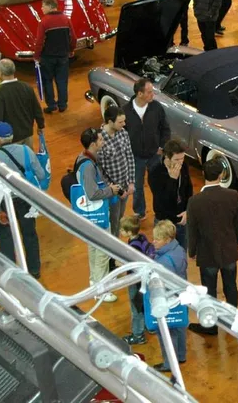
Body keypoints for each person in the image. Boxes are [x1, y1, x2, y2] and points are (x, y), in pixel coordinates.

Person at [187, 159, 238, 328]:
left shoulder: (195, 201)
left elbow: (192, 230)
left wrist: (192, 251)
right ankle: (232, 321)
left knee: (209, 291)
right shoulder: (233, 195)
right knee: (231, 286)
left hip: (207, 253)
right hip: (229, 250)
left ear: (203, 174)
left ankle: (210, 326)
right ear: (221, 175)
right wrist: (236, 242)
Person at [0, 122, 43, 278]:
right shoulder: (26, 151)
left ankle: (10, 272)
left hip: (4, 201)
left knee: (5, 237)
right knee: (29, 234)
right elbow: (40, 175)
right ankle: (34, 270)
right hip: (25, 199)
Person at [75, 128, 122, 302]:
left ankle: (95, 281)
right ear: (93, 144)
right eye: (101, 139)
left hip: (91, 213)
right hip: (97, 214)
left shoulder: (84, 159)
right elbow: (92, 193)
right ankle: (101, 289)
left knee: (94, 248)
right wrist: (111, 190)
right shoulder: (88, 165)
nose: (103, 141)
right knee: (102, 250)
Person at [125, 77, 171, 220]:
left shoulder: (156, 108)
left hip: (154, 156)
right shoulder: (126, 111)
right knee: (137, 186)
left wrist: (162, 146)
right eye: (149, 92)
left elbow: (165, 129)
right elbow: (122, 134)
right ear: (140, 94)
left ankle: (160, 211)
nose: (153, 95)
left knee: (158, 185)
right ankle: (139, 212)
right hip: (135, 157)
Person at [151, 220, 188, 371]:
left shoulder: (163, 261)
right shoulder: (179, 249)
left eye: (157, 239)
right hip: (181, 295)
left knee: (166, 332)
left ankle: (169, 363)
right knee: (179, 327)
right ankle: (181, 355)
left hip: (168, 299)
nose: (153, 242)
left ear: (167, 240)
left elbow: (162, 284)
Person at [96, 104, 135, 236]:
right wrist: (117, 190)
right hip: (111, 190)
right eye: (120, 122)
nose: (124, 124)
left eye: (124, 121)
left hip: (125, 186)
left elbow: (130, 157)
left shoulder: (123, 133)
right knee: (112, 220)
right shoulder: (99, 140)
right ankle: (112, 244)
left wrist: (131, 182)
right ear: (110, 122)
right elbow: (100, 170)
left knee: (119, 218)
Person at [149, 138, 192, 252]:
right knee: (163, 253)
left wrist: (188, 210)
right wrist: (172, 180)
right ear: (167, 157)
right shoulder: (155, 172)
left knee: (182, 252)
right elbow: (162, 201)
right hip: (164, 221)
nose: (180, 162)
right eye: (177, 159)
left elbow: (189, 189)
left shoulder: (183, 166)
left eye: (182, 158)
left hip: (182, 219)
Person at [0, 58, 45, 144]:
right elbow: (36, 109)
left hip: (10, 138)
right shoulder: (27, 87)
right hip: (27, 133)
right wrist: (40, 125)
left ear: (0, 73)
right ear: (14, 70)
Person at [120, 215, 156, 345]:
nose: (120, 231)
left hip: (135, 281)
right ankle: (149, 325)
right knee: (144, 304)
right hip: (145, 279)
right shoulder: (142, 237)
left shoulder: (133, 246)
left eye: (122, 230)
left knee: (136, 308)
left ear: (129, 232)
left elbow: (132, 265)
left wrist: (120, 264)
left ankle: (138, 335)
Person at [35, 0, 75, 114]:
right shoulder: (66, 19)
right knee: (62, 81)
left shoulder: (44, 22)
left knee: (47, 81)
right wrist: (71, 50)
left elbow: (39, 42)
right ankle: (62, 105)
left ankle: (51, 105)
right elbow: (73, 38)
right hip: (63, 56)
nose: (41, 8)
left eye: (43, 6)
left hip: (47, 57)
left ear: (50, 7)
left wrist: (36, 56)